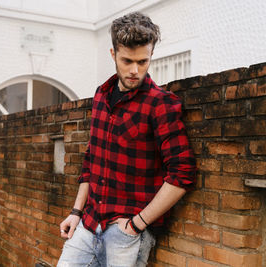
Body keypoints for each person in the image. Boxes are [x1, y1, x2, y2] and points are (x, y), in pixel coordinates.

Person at [57, 12, 196, 267]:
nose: (135, 70)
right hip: (89, 224)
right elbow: (92, 159)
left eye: (143, 61)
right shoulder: (101, 95)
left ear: (151, 55)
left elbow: (182, 173)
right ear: (113, 55)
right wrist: (76, 212)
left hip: (126, 234)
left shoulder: (160, 104)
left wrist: (136, 224)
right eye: (127, 60)